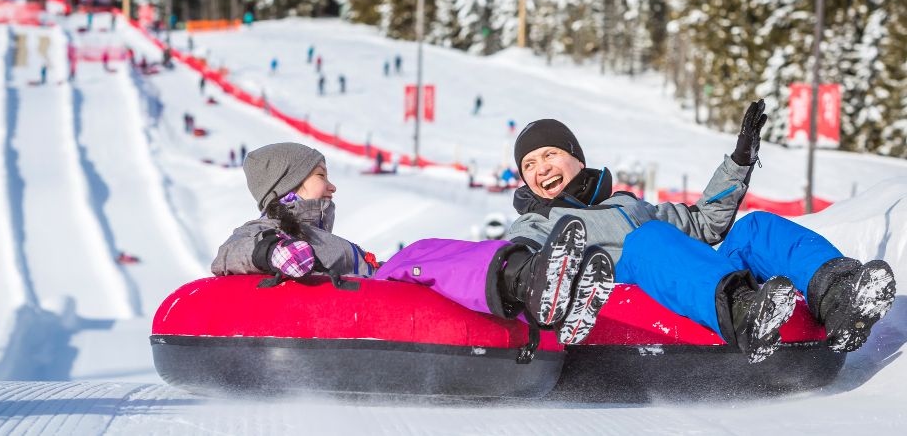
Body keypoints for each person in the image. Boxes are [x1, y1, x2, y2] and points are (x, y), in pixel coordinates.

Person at [500, 106, 896, 362]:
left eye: (549, 154)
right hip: (632, 300)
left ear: (576, 158)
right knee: (648, 241)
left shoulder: (627, 204)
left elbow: (705, 224)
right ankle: (745, 315)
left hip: (697, 280)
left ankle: (840, 297)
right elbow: (531, 270)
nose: (540, 168)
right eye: (529, 164)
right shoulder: (537, 223)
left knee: (756, 228)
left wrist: (739, 162)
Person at [210, 143, 615, 358]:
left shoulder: (324, 238)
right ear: (289, 186)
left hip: (379, 294)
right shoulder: (274, 229)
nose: (332, 187)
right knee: (421, 254)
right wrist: (271, 251)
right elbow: (231, 250)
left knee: (436, 259)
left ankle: (545, 295)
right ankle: (530, 281)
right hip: (362, 310)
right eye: (321, 177)